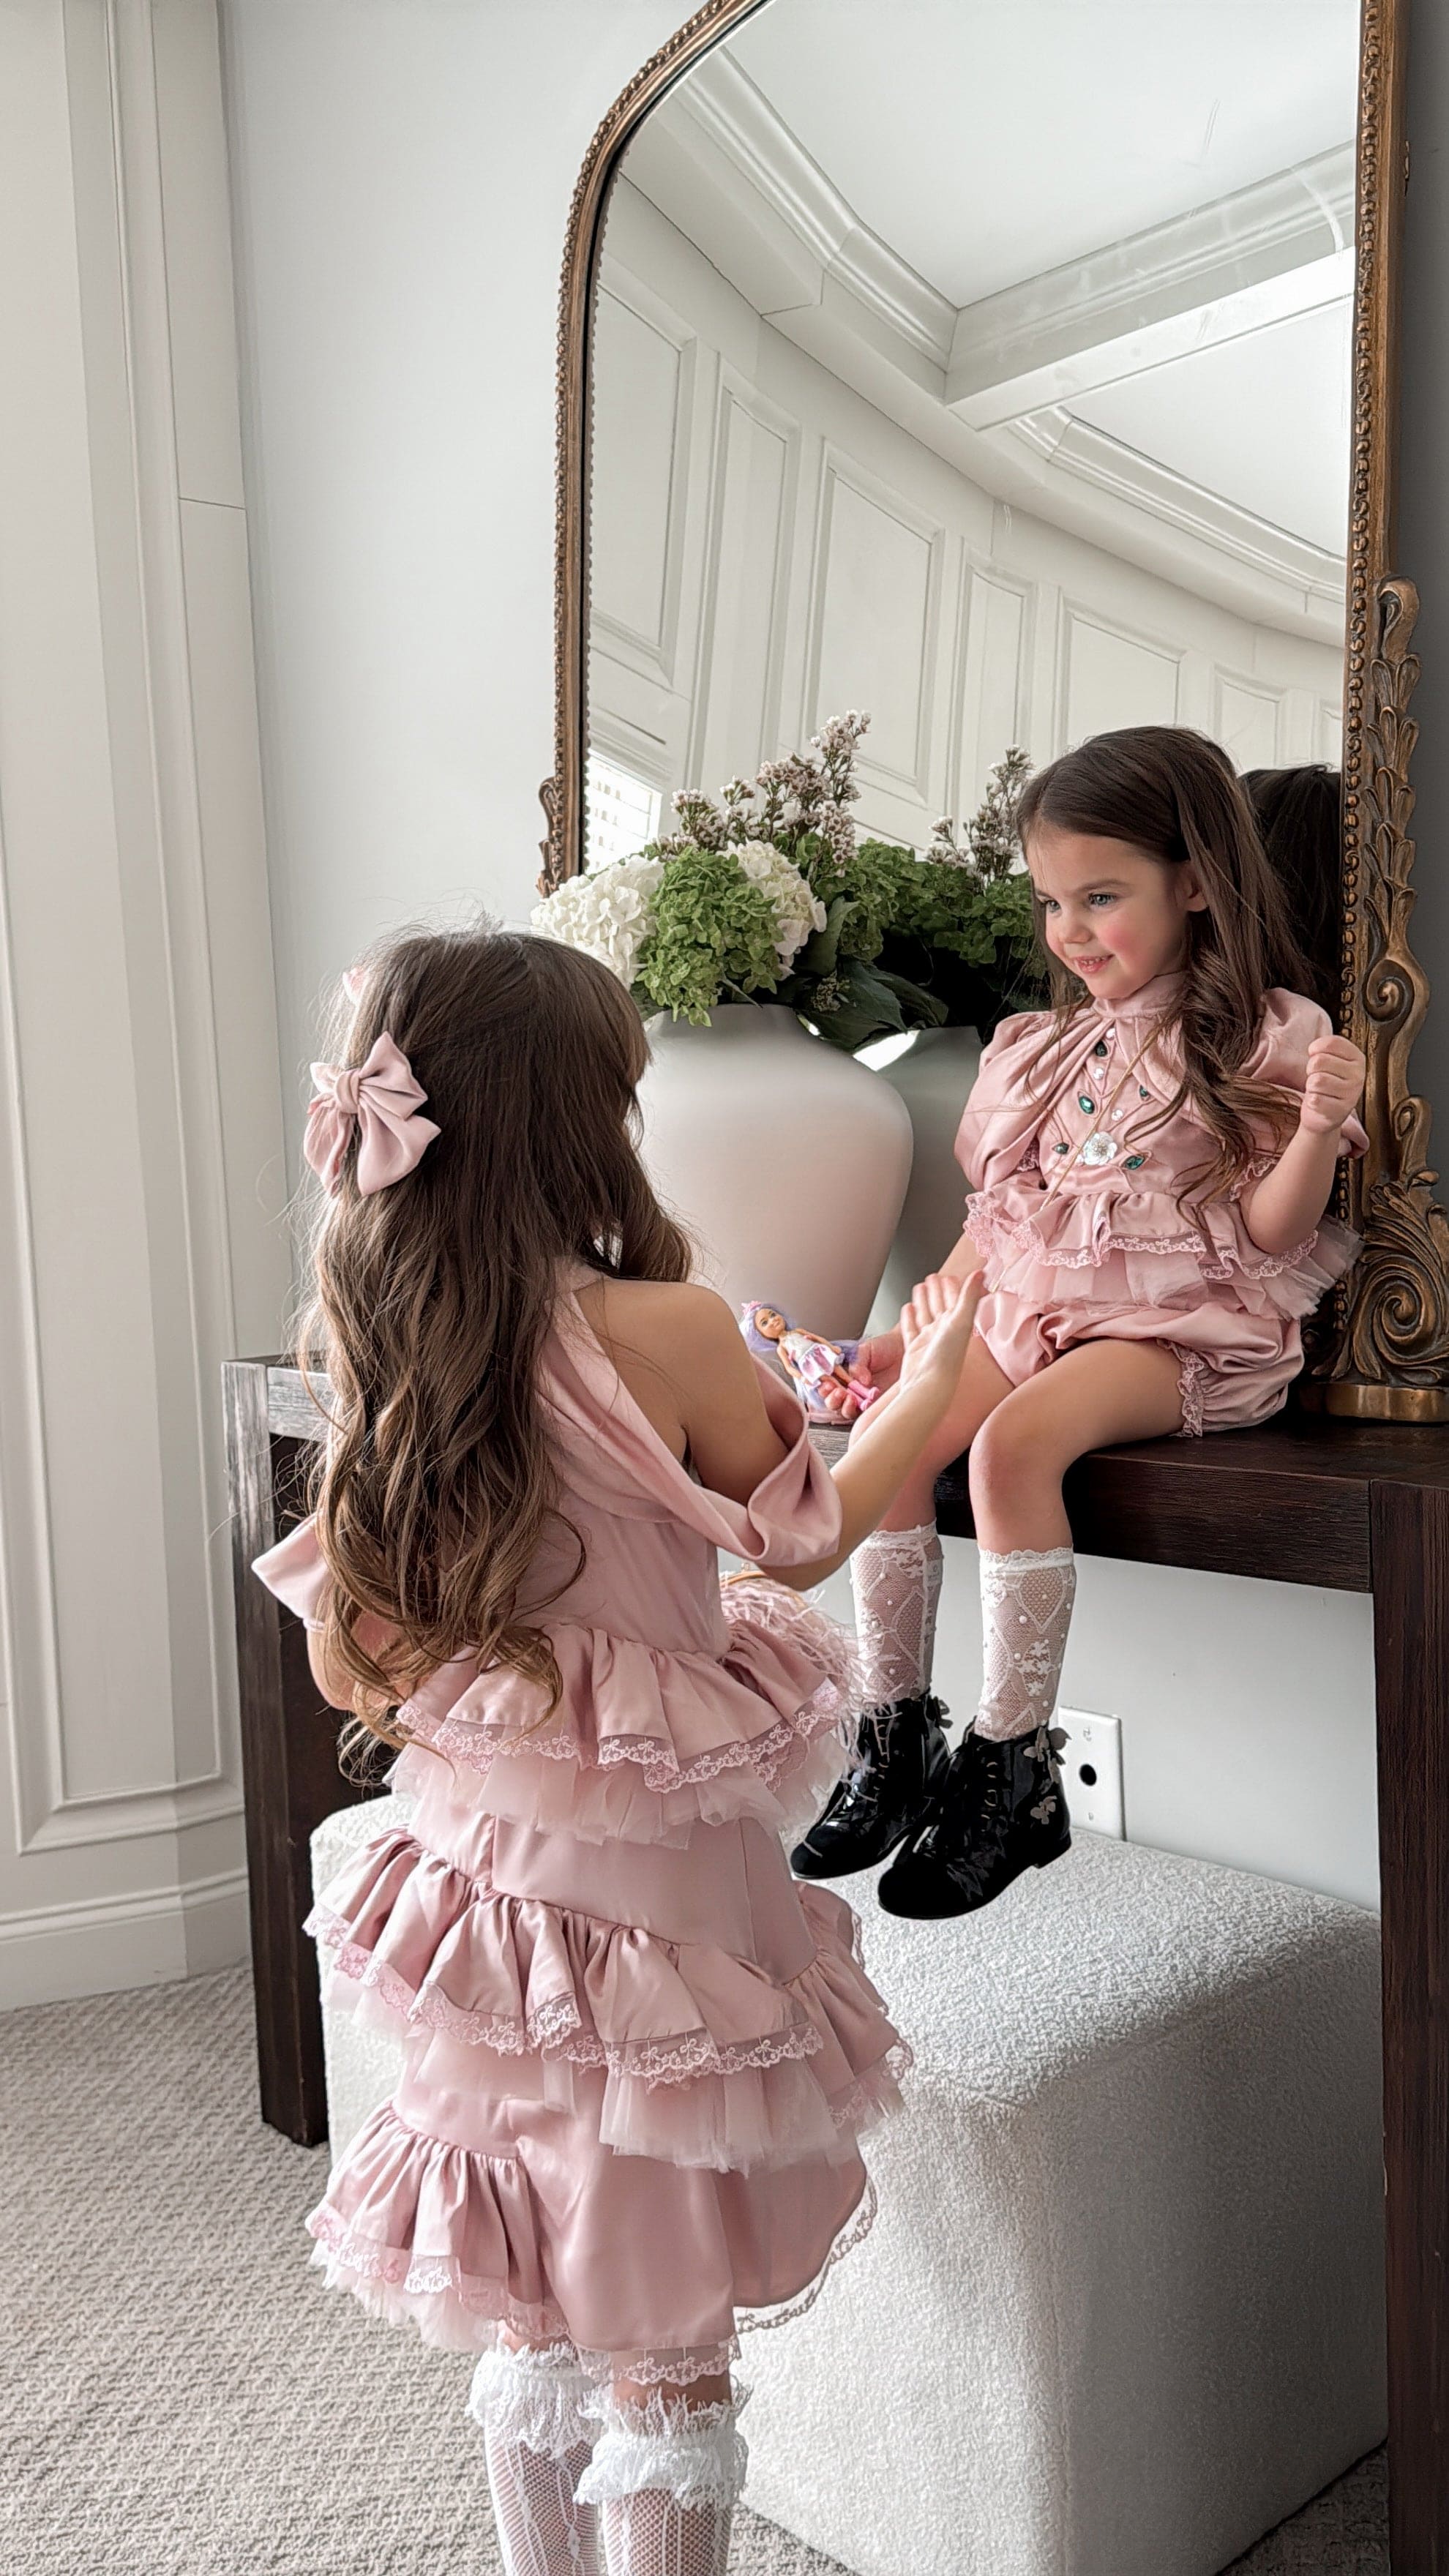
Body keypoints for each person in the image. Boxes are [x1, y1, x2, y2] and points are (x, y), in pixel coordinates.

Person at [252, 922, 980, 2576]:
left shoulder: (393, 1335)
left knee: (534, 2284)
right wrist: (925, 1386)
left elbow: (350, 1652)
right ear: (581, 1116)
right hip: (664, 1874)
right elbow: (795, 1541)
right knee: (666, 2333)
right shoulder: (671, 1328)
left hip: (495, 1882)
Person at [792, 725, 1366, 1922]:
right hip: (1034, 1311)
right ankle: (893, 1735)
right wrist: (918, 1330)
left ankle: (1013, 1765)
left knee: (1011, 1450)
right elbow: (1004, 1223)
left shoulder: (1267, 1033)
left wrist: (1314, 1134)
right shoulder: (1038, 1053)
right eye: (1054, 902)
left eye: (1100, 898)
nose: (1069, 932)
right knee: (894, 1438)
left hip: (1180, 1332)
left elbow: (1268, 1236)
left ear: (1196, 882)